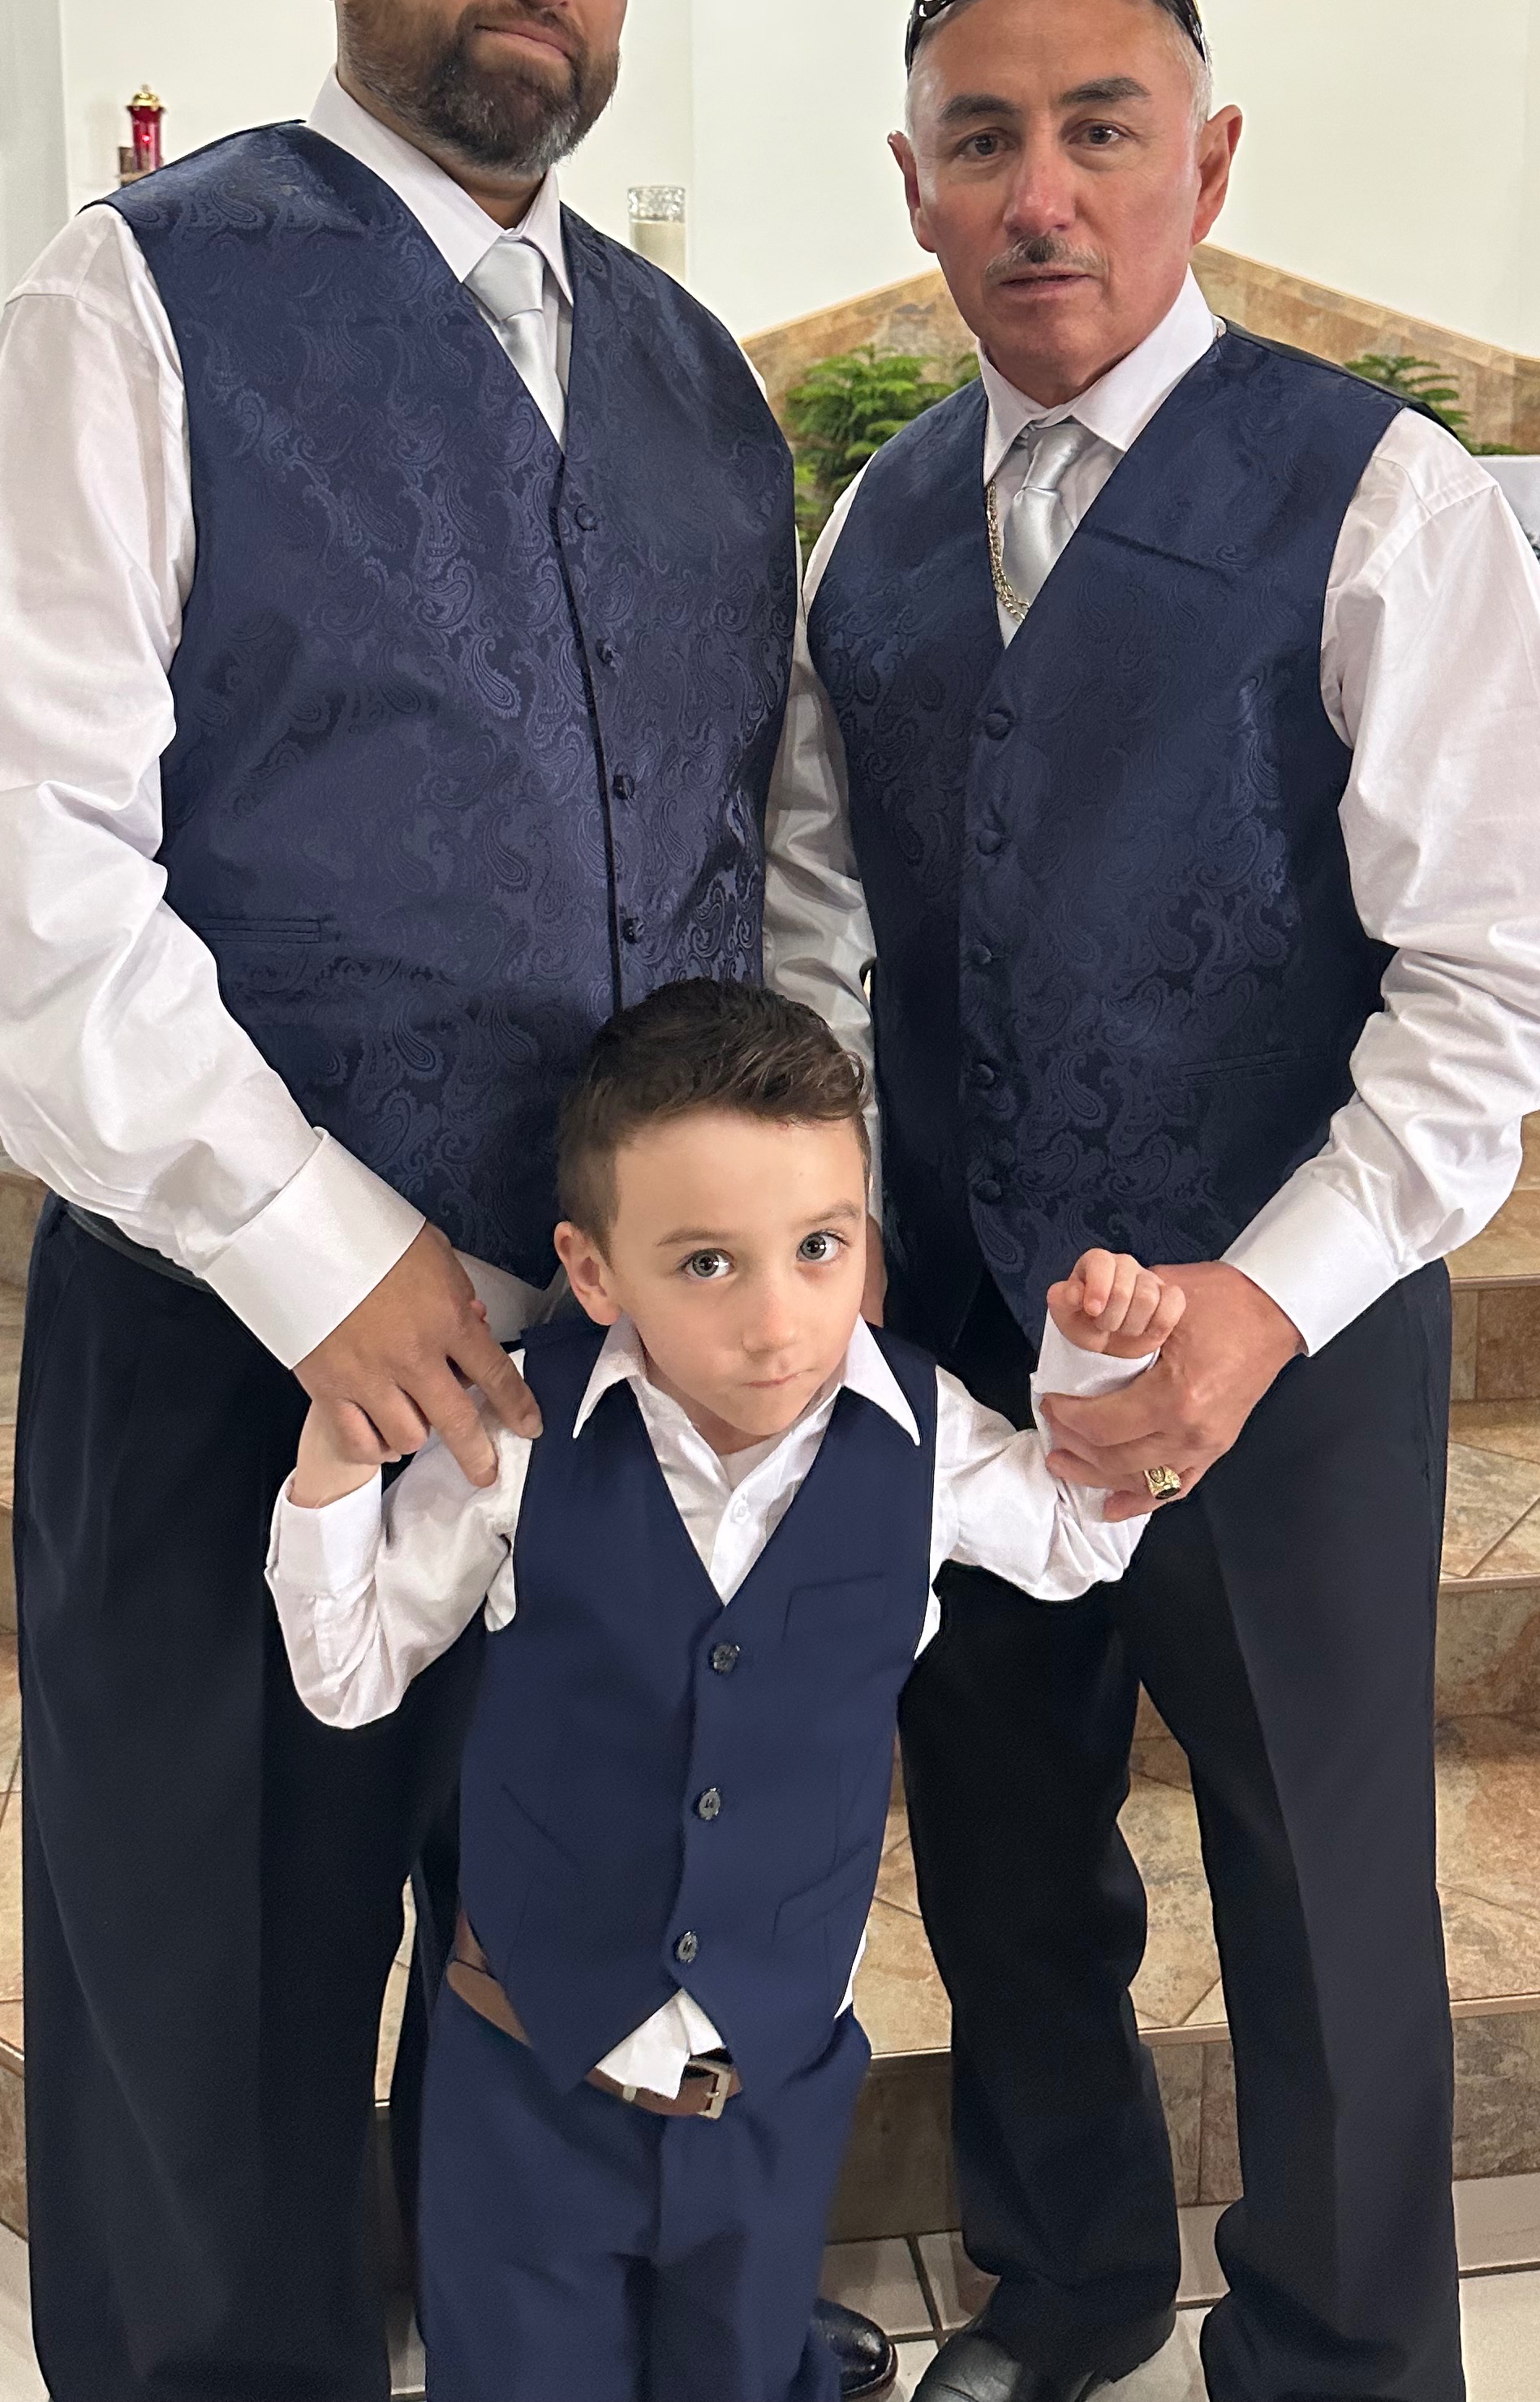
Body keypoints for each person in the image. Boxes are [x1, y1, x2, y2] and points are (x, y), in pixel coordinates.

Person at [0, 0, 816, 2401]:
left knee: (564, 1996)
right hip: (240, 1352)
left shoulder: (697, 378)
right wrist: (316, 1249)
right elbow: (28, 864)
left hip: (613, 1383)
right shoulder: (143, 296)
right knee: (223, 2031)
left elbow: (757, 863)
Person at [767, 0, 1540, 2402]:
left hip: (1291, 1338)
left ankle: (1341, 2355)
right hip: (962, 1334)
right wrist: (844, 1232)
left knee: (1321, 1882)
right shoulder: (876, 524)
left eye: (1100, 129)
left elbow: (1497, 984)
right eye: (985, 139)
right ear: (914, 187)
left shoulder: (1382, 500)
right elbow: (819, 913)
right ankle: (1070, 2287)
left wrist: (1266, 1298)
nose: (1043, 192)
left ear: (1206, 165)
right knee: (1003, 1851)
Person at [267, 981, 1181, 2402]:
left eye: (821, 1247)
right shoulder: (521, 1434)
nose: (779, 1322)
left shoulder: (925, 1433)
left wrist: (1096, 1366)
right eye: (707, 1263)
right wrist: (330, 1476)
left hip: (771, 2096)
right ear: (593, 1271)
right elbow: (349, 1677)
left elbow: (1075, 1541)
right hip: (529, 2089)